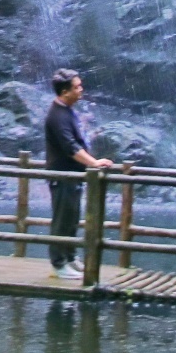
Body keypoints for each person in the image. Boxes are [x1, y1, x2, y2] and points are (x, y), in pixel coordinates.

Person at [42, 68, 113, 279]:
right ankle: (59, 263)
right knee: (62, 219)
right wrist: (94, 163)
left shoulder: (67, 110)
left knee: (72, 218)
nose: (81, 89)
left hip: (72, 175)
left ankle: (70, 257)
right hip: (62, 175)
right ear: (65, 92)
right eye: (77, 87)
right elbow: (70, 147)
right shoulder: (57, 115)